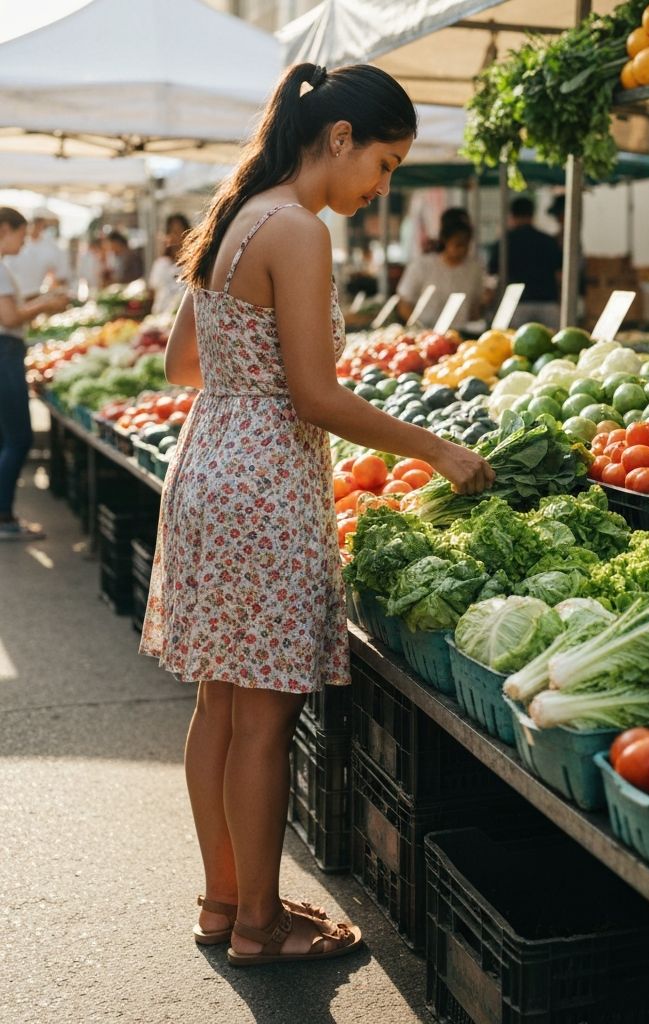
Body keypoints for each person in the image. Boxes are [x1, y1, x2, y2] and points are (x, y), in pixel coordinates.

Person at [139, 62, 493, 968]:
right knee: (264, 717)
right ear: (339, 138)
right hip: (265, 483)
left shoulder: (236, 213)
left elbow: (183, 366)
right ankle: (262, 926)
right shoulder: (298, 229)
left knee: (220, 704)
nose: (384, 186)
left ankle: (226, 902)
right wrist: (436, 448)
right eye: (385, 162)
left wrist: (252, 377)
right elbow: (314, 395)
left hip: (208, 465)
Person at [0, 207, 69, 540]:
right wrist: (46, 305)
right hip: (5, 351)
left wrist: (43, 297)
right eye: (21, 235)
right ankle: (4, 518)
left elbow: (12, 307)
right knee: (19, 438)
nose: (24, 243)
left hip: (7, 351)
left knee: (7, 438)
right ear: (4, 229)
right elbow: (10, 318)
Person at [396, 207, 488, 330]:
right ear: (445, 241)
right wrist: (421, 329)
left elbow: (475, 306)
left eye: (466, 245)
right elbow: (404, 304)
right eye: (458, 244)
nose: (463, 250)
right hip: (426, 332)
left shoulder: (474, 269)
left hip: (460, 332)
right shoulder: (422, 266)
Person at [489, 196, 561, 328]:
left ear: (512, 215)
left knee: (511, 339)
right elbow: (559, 273)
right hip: (547, 301)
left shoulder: (504, 242)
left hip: (514, 301)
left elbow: (493, 272)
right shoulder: (548, 241)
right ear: (532, 214)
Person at [6, 209, 70, 298]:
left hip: (33, 296)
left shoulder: (51, 247)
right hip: (11, 296)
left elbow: (60, 277)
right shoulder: (14, 243)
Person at [148, 213, 191, 315]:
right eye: (172, 231)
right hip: (160, 317)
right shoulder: (161, 264)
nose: (175, 236)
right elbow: (153, 291)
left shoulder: (193, 265)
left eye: (179, 231)